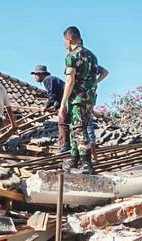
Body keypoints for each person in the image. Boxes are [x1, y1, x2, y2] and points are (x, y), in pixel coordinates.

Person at [59, 26, 100, 174]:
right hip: (90, 98)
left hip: (77, 98)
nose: (64, 43)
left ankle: (86, 163)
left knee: (79, 129)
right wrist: (93, 85)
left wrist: (63, 103)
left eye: (64, 40)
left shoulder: (72, 56)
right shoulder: (92, 56)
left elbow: (70, 81)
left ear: (69, 39)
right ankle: (74, 159)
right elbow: (101, 73)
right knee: (75, 128)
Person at [31, 65, 70, 153]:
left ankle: (64, 146)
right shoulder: (51, 79)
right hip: (67, 100)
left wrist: (45, 107)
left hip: (68, 101)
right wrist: (56, 106)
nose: (34, 77)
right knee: (66, 122)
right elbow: (58, 95)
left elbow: (52, 96)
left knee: (62, 122)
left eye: (36, 75)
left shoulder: (47, 79)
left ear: (41, 74)